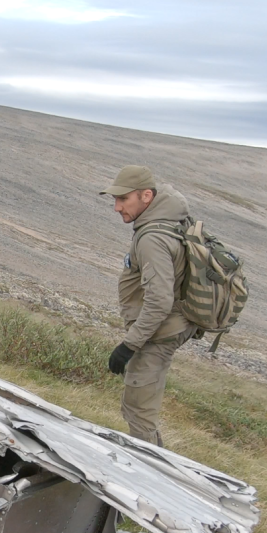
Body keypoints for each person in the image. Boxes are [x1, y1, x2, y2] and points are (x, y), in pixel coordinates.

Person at [99, 165, 198, 447]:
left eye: (123, 199)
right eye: (115, 200)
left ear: (145, 196)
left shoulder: (152, 238)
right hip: (164, 329)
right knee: (140, 409)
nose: (117, 207)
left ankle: (151, 478)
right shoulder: (167, 221)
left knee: (139, 413)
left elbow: (159, 301)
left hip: (158, 333)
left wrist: (128, 346)